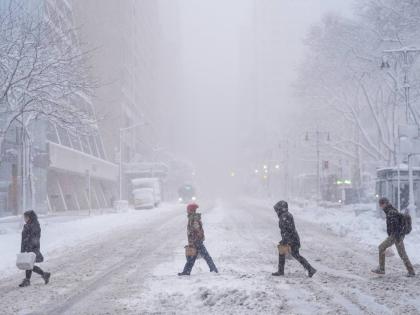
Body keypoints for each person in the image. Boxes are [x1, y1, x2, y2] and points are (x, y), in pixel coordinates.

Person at [372, 197, 415, 277]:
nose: (380, 206)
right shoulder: (391, 211)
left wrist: (395, 236)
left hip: (395, 236)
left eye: (381, 204)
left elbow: (396, 226)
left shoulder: (391, 212)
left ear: (385, 204)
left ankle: (381, 269)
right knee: (402, 253)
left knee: (381, 247)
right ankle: (411, 271)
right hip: (397, 236)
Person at [272, 200, 316, 277]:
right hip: (292, 239)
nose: (276, 212)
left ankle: (281, 271)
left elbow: (288, 230)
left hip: (291, 239)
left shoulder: (284, 216)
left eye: (277, 210)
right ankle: (310, 269)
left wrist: (285, 241)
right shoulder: (286, 215)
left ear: (280, 208)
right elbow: (287, 230)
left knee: (286, 253)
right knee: (295, 255)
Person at [178, 203, 218, 276]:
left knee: (202, 257)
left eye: (188, 209)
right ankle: (186, 272)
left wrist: (194, 241)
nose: (187, 211)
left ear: (191, 210)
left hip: (196, 242)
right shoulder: (192, 218)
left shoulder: (194, 219)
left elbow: (197, 230)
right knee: (192, 258)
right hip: (195, 241)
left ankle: (214, 270)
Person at [19, 210, 51, 287]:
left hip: (33, 248)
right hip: (27, 248)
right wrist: (23, 249)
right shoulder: (27, 225)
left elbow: (35, 238)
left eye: (26, 217)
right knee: (29, 264)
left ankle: (28, 280)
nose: (25, 219)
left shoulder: (35, 225)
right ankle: (44, 274)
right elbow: (23, 238)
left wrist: (30, 246)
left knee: (29, 264)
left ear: (30, 217)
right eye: (24, 217)